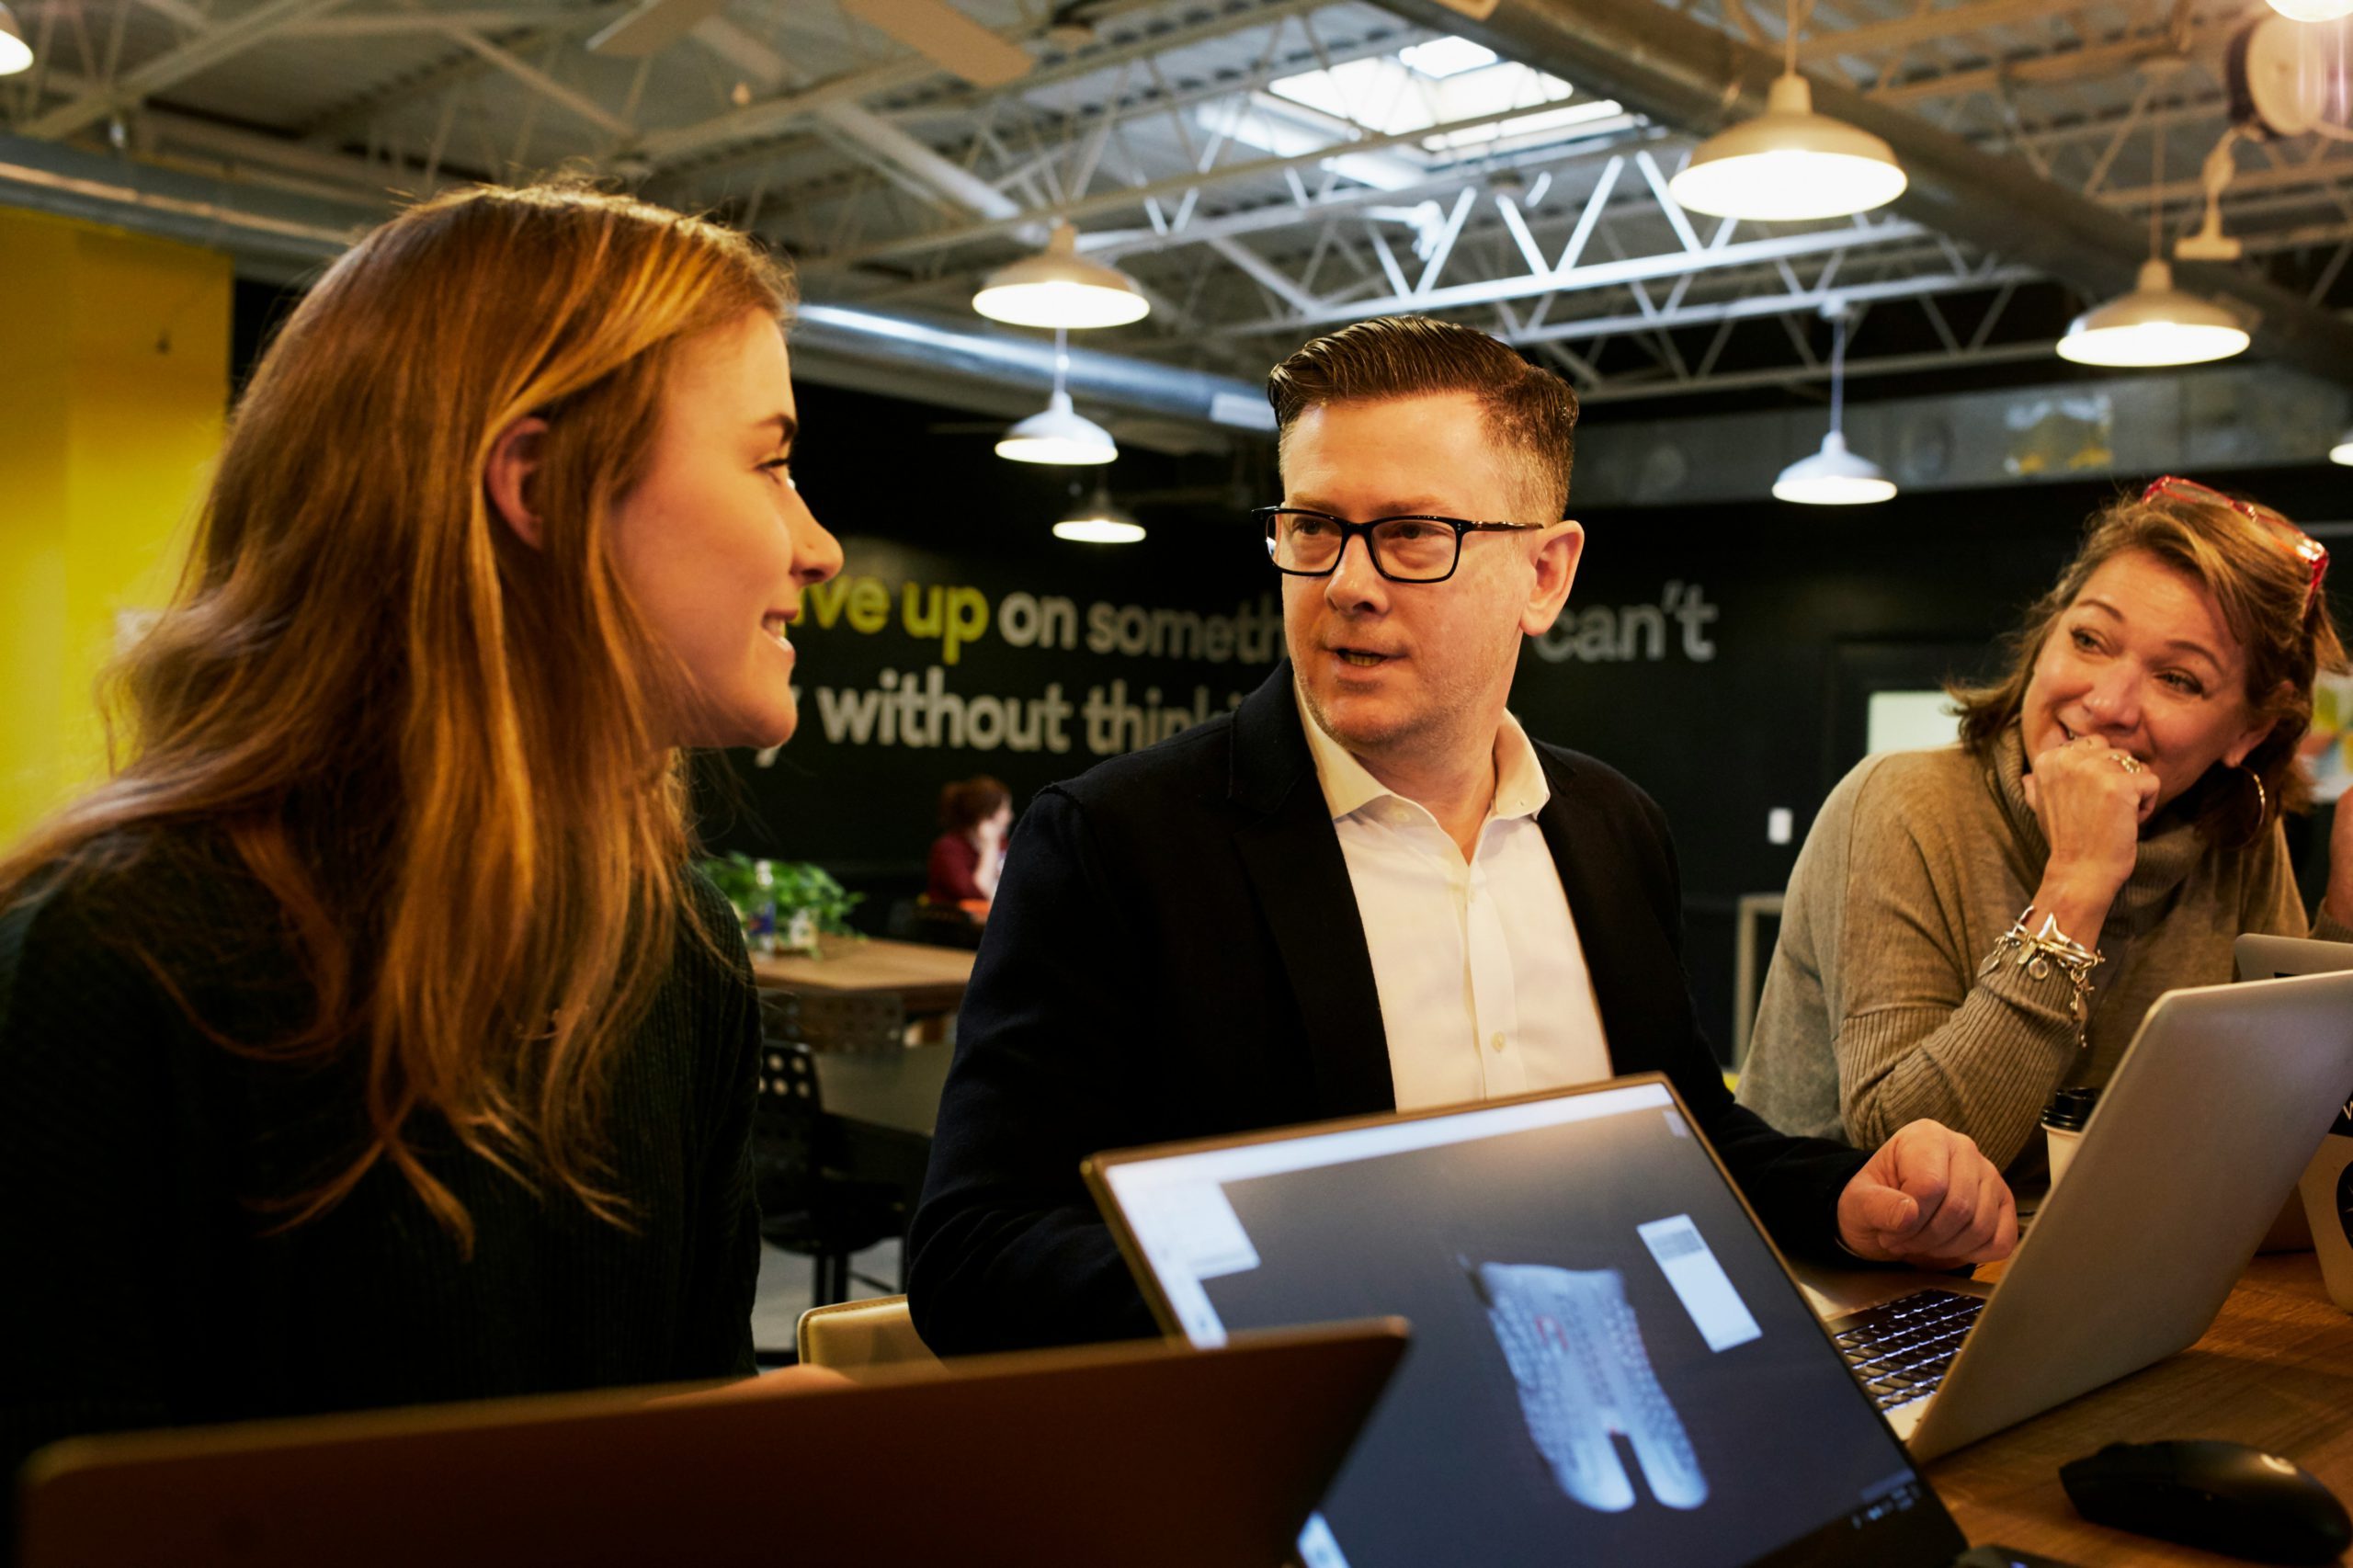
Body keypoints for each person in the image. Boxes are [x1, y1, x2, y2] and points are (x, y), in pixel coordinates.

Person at [907, 316, 2015, 1358]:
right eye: (1311, 528)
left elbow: (1683, 1133)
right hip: (1310, 1469)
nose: (1345, 583)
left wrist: (1842, 1197)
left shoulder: (1612, 829)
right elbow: (973, 1254)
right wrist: (1318, 1289)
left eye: (1408, 535)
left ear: (1545, 573)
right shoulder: (1118, 844)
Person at [0, 183, 845, 1488]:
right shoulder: (113, 965)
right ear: (542, 484)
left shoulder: (677, 954)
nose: (820, 545)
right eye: (771, 461)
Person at [1738, 480, 2352, 1176]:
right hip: (1841, 1269)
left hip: (2088, 1248)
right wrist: (2078, 883)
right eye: (2089, 639)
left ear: (2249, 732)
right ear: (2045, 634)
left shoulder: (2235, 836)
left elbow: (2279, 1142)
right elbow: (1907, 1160)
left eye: (2178, 679)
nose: (2107, 703)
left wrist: (2348, 922)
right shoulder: (1900, 802)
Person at [926, 776, 1013, 915]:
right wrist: (989, 846)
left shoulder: (1003, 844)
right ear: (986, 815)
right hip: (959, 932)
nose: (1010, 816)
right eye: (1004, 810)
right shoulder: (948, 849)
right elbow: (977, 895)